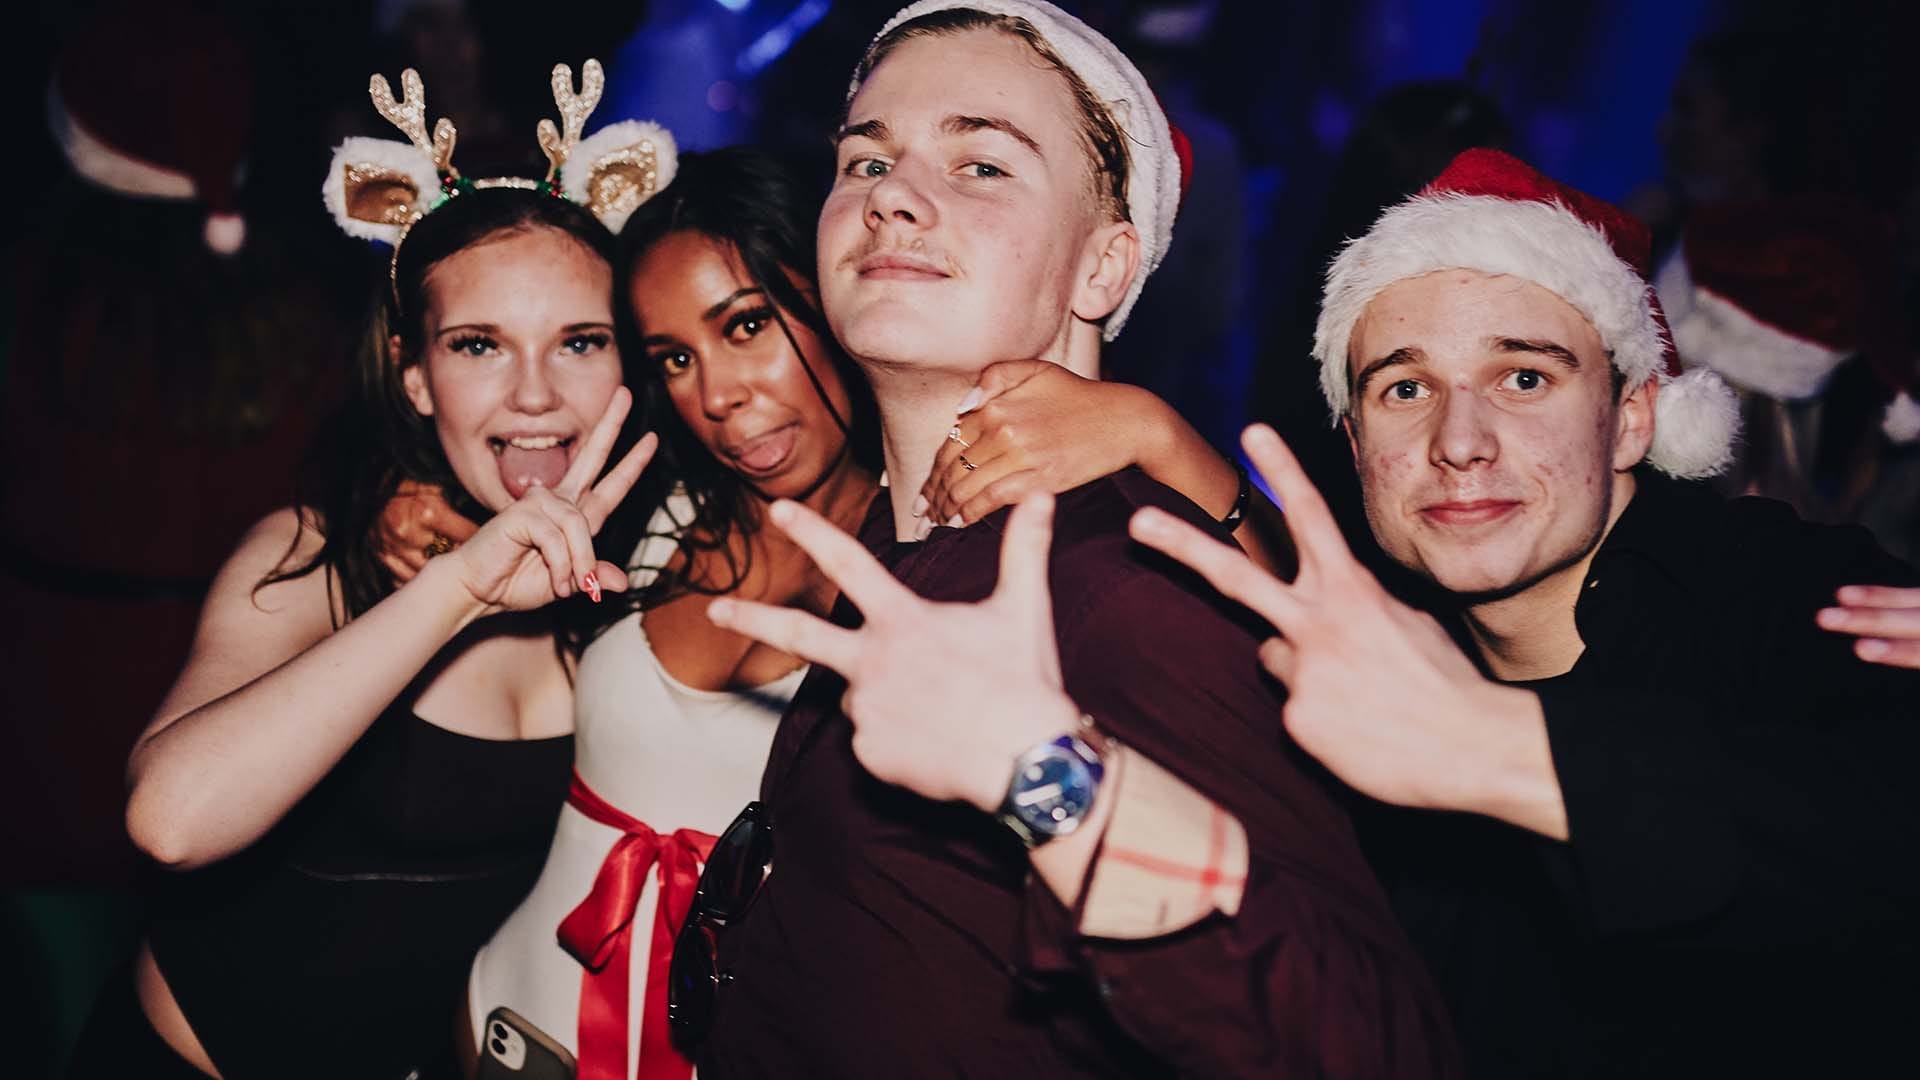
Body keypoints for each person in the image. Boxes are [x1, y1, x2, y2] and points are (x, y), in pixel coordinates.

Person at [376, 145, 1274, 1078]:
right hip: (501, 1030)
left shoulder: (953, 548)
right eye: (674, 358)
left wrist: (1157, 434)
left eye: (749, 324)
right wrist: (419, 501)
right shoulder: (653, 512)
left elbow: (1276, 636)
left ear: (838, 302)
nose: (717, 395)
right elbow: (510, 486)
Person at [691, 3, 1456, 1076]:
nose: (891, 196)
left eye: (982, 165)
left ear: (1103, 270)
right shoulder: (897, 532)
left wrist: (1044, 774)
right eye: (866, 160)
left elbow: (1373, 1048)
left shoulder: (1126, 589)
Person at [1126, 149, 1918, 1076]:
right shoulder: (1359, 672)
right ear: (1357, 447)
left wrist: (1485, 745)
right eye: (1406, 389)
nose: (1459, 443)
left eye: (1525, 378)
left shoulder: (1795, 596)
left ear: (1630, 419)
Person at [65, 64, 662, 1079]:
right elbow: (170, 822)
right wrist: (456, 591)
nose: (534, 394)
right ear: (414, 374)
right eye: (478, 345)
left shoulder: (648, 568)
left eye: (580, 341)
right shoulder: (319, 554)